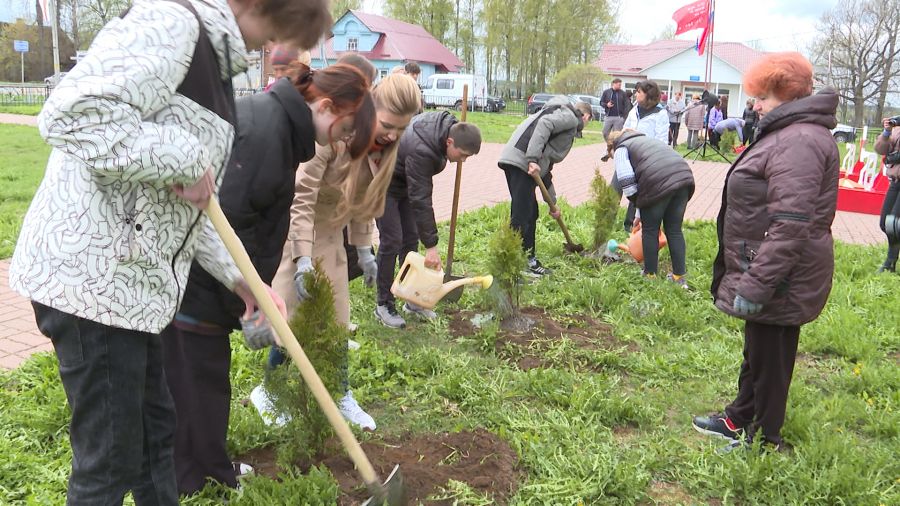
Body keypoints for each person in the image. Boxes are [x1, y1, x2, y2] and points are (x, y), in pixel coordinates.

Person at [6, 0, 331, 503]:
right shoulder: (174, 24)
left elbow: (189, 203)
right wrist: (183, 156)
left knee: (157, 439)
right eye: (274, 29)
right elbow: (71, 112)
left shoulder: (217, 63)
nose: (271, 47)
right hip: (95, 281)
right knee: (109, 464)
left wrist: (239, 277)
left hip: (135, 288)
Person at [161, 64, 375, 496]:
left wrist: (250, 293)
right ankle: (199, 479)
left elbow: (248, 226)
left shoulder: (280, 130)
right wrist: (245, 298)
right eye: (344, 128)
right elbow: (225, 227)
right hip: (195, 282)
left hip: (212, 284)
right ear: (326, 106)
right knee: (196, 382)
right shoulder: (266, 136)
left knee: (205, 381)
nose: (340, 140)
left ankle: (208, 468)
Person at [692, 52, 840, 452]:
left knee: (771, 358)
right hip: (768, 266)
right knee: (757, 349)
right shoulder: (788, 133)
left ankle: (765, 440)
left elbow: (791, 225)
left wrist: (757, 284)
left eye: (762, 97)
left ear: (785, 94)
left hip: (780, 273)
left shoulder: (800, 141)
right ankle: (739, 417)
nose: (754, 104)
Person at [261, 73, 423, 430]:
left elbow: (366, 203)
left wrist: (364, 250)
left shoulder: (385, 151)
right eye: (389, 124)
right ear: (371, 109)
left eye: (402, 128)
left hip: (333, 241)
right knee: (294, 324)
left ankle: (340, 393)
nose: (393, 135)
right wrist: (301, 257)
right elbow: (300, 197)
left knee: (336, 324)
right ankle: (270, 390)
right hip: (300, 235)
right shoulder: (334, 135)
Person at [374, 111, 483, 327]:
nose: (462, 161)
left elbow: (417, 193)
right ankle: (384, 304)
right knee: (392, 240)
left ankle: (412, 299)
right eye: (462, 155)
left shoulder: (447, 127)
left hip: (405, 181)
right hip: (382, 183)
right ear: (449, 142)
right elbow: (421, 199)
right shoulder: (422, 149)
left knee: (411, 239)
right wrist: (431, 246)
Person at [498, 98, 593, 276]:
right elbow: (545, 124)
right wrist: (532, 159)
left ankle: (523, 259)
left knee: (529, 211)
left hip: (518, 160)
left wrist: (553, 203)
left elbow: (546, 169)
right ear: (586, 116)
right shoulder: (570, 118)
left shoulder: (558, 115)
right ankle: (519, 262)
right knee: (522, 214)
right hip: (523, 162)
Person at [609, 129, 694, 287]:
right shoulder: (648, 141)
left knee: (650, 230)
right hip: (684, 179)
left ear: (612, 146)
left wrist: (638, 204)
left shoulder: (621, 148)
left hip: (658, 182)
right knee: (674, 229)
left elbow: (626, 180)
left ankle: (650, 275)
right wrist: (640, 213)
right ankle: (679, 278)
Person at [874, 116, 900, 272]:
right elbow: (880, 150)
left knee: (894, 224)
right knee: (885, 223)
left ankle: (890, 263)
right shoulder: (896, 130)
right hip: (895, 181)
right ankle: (891, 261)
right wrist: (886, 132)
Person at [600, 78, 629, 161]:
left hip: (619, 118)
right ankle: (609, 146)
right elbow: (601, 102)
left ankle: (613, 151)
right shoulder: (607, 92)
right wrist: (606, 105)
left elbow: (627, 105)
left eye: (620, 84)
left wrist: (624, 116)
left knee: (617, 136)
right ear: (614, 84)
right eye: (619, 84)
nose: (620, 86)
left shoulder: (622, 93)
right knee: (605, 132)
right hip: (608, 116)